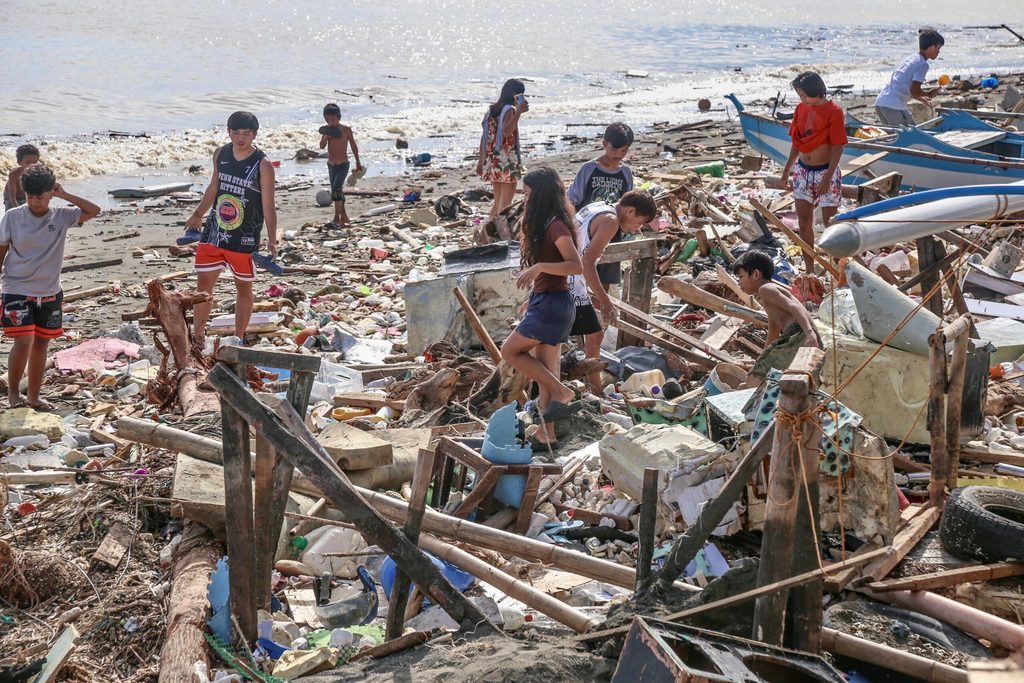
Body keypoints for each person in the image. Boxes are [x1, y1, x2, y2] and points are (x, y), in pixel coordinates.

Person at [0, 164, 100, 409]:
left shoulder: (61, 215)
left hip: (50, 292)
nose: (35, 201)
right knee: (23, 343)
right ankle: (14, 394)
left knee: (41, 344)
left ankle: (33, 396)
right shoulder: (12, 217)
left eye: (40, 196)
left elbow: (94, 210)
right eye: (30, 196)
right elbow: (1, 251)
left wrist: (64, 194)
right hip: (17, 288)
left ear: (51, 193)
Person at [499, 167, 584, 450]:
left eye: (527, 195)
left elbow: (575, 265)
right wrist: (534, 295)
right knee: (545, 374)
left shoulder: (556, 226)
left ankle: (563, 393)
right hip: (549, 301)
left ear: (541, 195)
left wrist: (538, 267)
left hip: (553, 305)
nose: (524, 200)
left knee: (510, 351)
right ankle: (546, 434)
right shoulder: (549, 222)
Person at [182, 111, 277, 346]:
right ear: (228, 132)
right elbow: (214, 186)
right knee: (203, 286)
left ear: (254, 135)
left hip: (244, 235)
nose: (241, 138)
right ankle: (198, 337)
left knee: (243, 286)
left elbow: (268, 205)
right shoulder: (221, 153)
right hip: (215, 230)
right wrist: (197, 215)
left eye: (247, 133)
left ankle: (238, 337)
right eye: (236, 132)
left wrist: (272, 240)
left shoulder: (262, 164)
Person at [568, 191, 657, 395]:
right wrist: (605, 301)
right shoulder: (611, 221)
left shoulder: (597, 206)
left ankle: (593, 387)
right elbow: (587, 263)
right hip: (570, 281)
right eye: (639, 222)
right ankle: (595, 390)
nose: (638, 228)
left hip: (563, 273)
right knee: (593, 335)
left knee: (591, 335)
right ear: (630, 210)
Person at [779, 71, 847, 273]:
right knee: (804, 220)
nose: (803, 100)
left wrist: (827, 178)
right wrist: (786, 171)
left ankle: (837, 268)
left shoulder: (834, 111)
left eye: (805, 96)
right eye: (800, 96)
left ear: (817, 92)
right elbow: (796, 143)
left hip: (826, 170)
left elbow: (837, 147)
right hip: (803, 171)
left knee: (830, 223)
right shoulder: (801, 109)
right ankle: (809, 269)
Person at [567, 122, 636, 294]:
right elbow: (572, 198)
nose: (619, 154)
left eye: (624, 150)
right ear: (604, 144)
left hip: (612, 236)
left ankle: (600, 315)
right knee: (582, 279)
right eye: (616, 149)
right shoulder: (589, 169)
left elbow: (628, 204)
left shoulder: (625, 173)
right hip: (588, 234)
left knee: (603, 282)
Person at [733, 250, 820, 385]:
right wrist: (762, 358)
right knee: (758, 378)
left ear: (756, 274)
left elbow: (794, 307)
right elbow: (773, 333)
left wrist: (809, 333)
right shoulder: (768, 297)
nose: (739, 282)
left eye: (741, 276)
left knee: (755, 379)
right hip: (798, 337)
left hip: (799, 336)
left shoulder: (766, 289)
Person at [477, 78, 527, 220]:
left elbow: (484, 137)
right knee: (505, 205)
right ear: (514, 94)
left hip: (493, 160)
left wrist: (481, 161)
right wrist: (519, 111)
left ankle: (487, 232)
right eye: (520, 95)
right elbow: (506, 132)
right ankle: (501, 235)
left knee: (498, 202)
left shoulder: (493, 109)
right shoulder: (509, 110)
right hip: (507, 162)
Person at [874, 29, 945, 127]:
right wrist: (929, 93)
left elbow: (904, 86)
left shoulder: (913, 58)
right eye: (938, 48)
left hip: (881, 103)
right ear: (932, 47)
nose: (939, 52)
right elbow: (914, 91)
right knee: (911, 137)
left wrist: (924, 99)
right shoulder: (923, 65)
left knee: (900, 136)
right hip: (893, 106)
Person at [319, 103, 363, 229]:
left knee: (337, 189)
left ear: (339, 117)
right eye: (327, 120)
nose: (330, 122)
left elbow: (353, 146)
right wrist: (326, 137)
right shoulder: (327, 131)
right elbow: (321, 146)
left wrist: (358, 162)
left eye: (333, 119)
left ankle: (336, 219)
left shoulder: (346, 130)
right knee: (336, 192)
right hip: (331, 164)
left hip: (343, 164)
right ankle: (344, 218)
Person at [4, 144, 41, 211]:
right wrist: (19, 212)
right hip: (12, 196)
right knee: (12, 214)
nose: (32, 166)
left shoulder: (37, 171)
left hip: (25, 196)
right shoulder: (14, 174)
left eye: (35, 162)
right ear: (19, 162)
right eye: (28, 163)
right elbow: (12, 198)